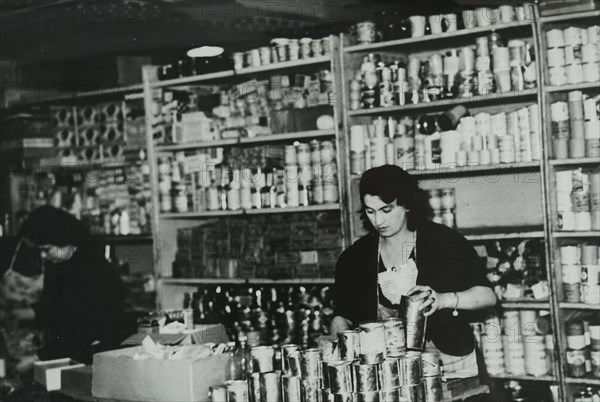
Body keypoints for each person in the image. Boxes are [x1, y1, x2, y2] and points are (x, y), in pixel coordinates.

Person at [332, 165, 497, 377]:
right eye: (370, 211)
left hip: (447, 363)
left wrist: (443, 299)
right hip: (387, 369)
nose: (378, 221)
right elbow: (342, 316)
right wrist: (337, 342)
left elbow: (488, 296)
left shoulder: (442, 242)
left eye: (386, 210)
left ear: (407, 204)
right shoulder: (355, 257)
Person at [0, 205, 125, 365]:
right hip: (68, 352)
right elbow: (51, 307)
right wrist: (19, 315)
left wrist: (38, 359)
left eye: (47, 249)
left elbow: (78, 328)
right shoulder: (59, 264)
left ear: (65, 240)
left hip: (93, 357)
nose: (43, 256)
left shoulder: (93, 269)